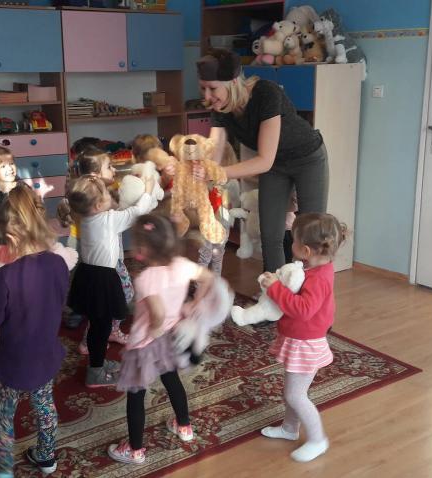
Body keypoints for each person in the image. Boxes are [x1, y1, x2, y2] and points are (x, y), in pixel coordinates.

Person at [195, 48, 329, 273]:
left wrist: (218, 173)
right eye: (203, 89)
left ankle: (312, 291)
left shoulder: (266, 93)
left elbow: (264, 161)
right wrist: (202, 172)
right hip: (276, 166)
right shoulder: (221, 107)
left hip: (308, 158)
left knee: (312, 235)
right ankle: (273, 290)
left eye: (212, 88)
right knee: (270, 235)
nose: (207, 97)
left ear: (233, 82)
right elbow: (214, 151)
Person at [107, 213, 215, 464]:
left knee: (136, 394)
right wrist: (194, 303)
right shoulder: (182, 265)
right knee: (171, 379)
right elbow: (209, 278)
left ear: (143, 250)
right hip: (169, 337)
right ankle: (184, 426)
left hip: (145, 343)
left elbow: (157, 312)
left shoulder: (146, 278)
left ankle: (135, 450)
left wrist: (155, 328)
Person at [0, 185, 70, 477]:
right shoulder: (59, 263)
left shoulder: (4, 276)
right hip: (45, 354)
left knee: (2, 416)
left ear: (10, 237)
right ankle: (46, 457)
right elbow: (58, 299)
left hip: (13, 362)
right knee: (45, 406)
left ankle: (4, 471)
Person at [258, 212, 346, 462]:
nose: (291, 242)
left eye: (293, 240)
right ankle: (289, 428)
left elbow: (303, 309)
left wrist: (275, 289)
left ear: (305, 250)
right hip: (299, 339)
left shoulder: (319, 278)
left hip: (306, 343)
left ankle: (318, 440)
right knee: (291, 390)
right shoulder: (317, 268)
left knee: (295, 395)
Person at [66, 174, 158, 387]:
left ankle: (96, 363)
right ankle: (95, 372)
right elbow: (137, 212)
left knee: (98, 326)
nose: (111, 194)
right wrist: (148, 189)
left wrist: (100, 185)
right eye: (107, 193)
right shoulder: (108, 219)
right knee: (101, 328)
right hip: (102, 280)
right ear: (98, 205)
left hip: (88, 275)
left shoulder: (85, 217)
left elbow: (104, 201)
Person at [57, 147, 131, 347]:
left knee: (96, 294)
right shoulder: (96, 200)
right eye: (109, 167)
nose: (114, 170)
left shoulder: (92, 192)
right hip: (100, 257)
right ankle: (94, 336)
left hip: (101, 254)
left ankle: (96, 325)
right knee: (111, 296)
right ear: (95, 175)